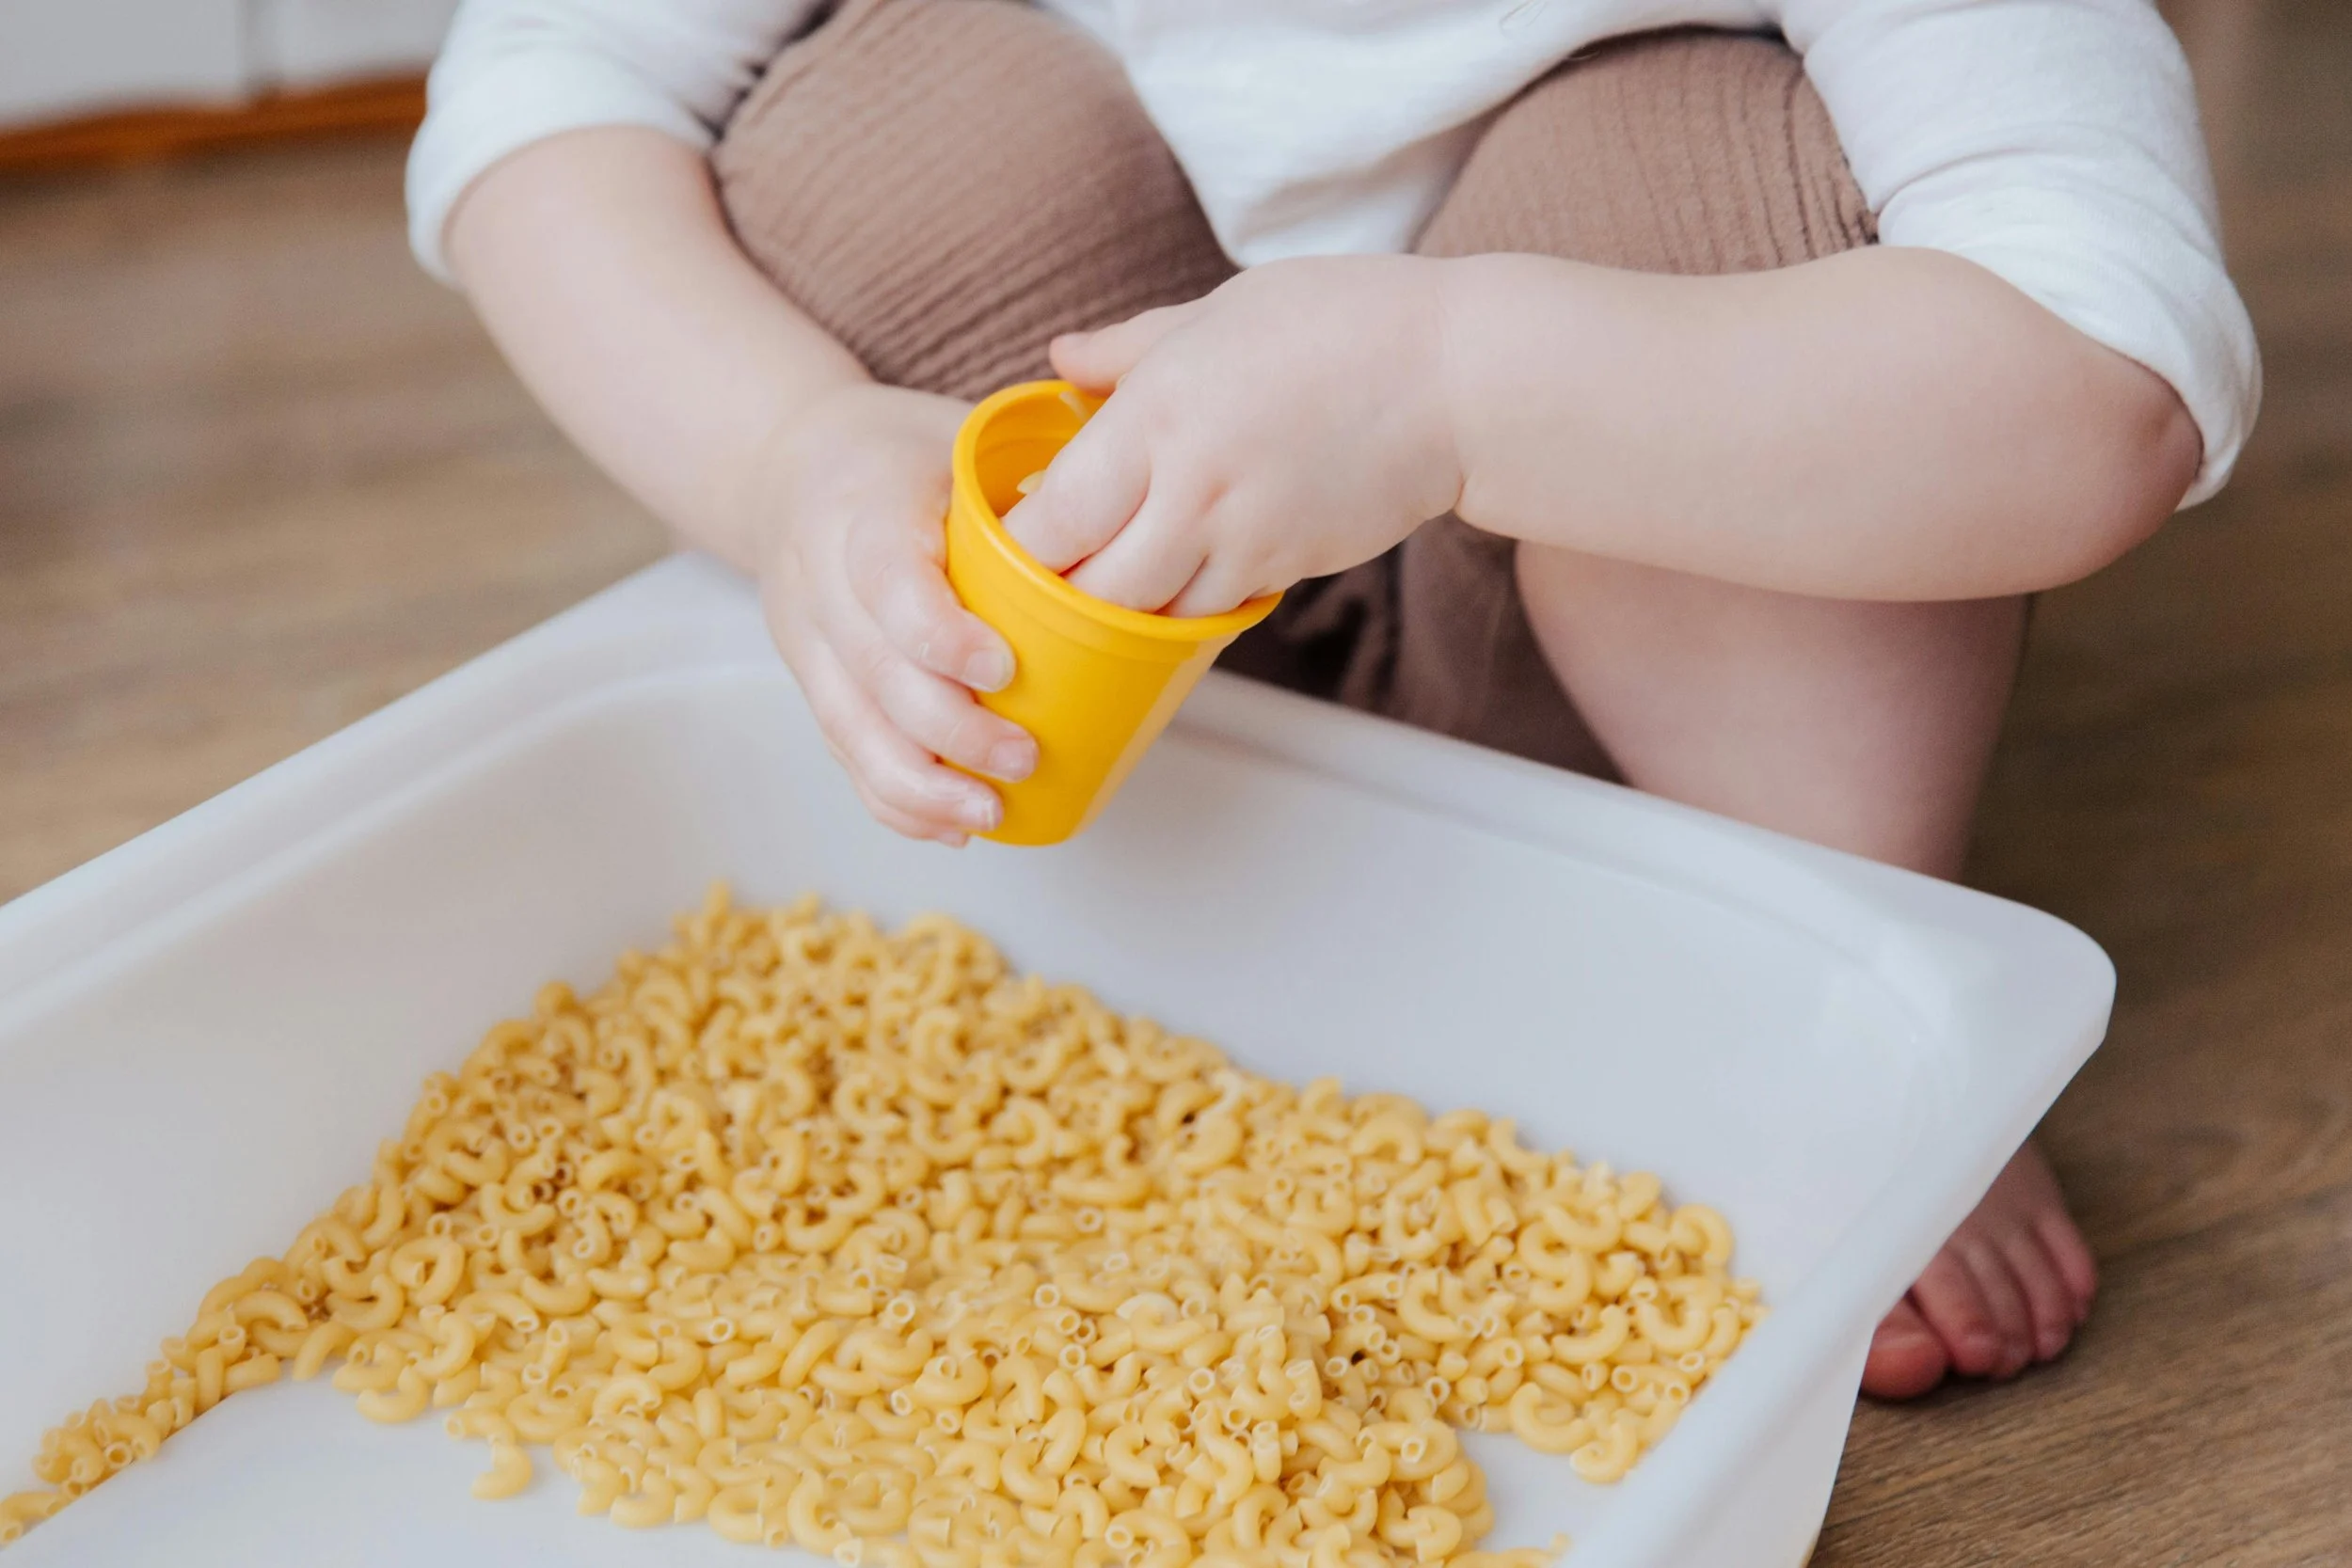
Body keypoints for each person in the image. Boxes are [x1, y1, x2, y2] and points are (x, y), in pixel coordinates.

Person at [406, 0, 2259, 1399]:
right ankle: (1139, 870)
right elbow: (540, 99)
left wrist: (1452, 387)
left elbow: (2100, 366)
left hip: (1619, 648)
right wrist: (787, 453)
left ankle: (1830, 970)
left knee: (1703, 180)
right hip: (1121, 651)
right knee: (893, 136)